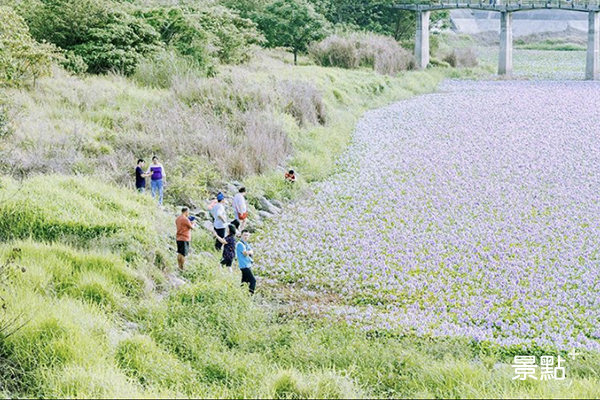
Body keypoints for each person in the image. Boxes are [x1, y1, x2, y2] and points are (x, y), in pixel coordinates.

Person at [236, 229, 256, 295]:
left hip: (248, 264)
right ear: (241, 235)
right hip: (244, 265)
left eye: (247, 235)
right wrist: (249, 252)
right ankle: (250, 295)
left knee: (244, 281)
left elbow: (251, 252)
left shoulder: (246, 244)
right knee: (253, 280)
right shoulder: (240, 244)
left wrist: (249, 252)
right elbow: (245, 253)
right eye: (244, 235)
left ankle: (240, 294)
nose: (246, 237)